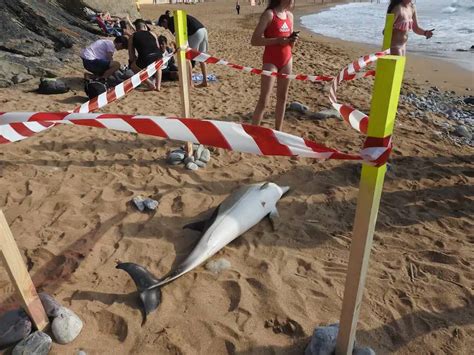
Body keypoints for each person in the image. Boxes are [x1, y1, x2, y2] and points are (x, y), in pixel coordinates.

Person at [250, 0, 298, 131]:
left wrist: (292, 40)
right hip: (271, 61)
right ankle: (254, 133)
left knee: (282, 98)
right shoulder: (269, 15)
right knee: (264, 100)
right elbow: (254, 40)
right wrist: (277, 40)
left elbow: (290, 45)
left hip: (287, 59)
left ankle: (278, 131)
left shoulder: (290, 16)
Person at [157, 12, 209, 87]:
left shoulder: (171, 22)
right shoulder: (176, 18)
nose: (165, 28)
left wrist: (175, 46)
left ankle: (190, 82)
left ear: (165, 21)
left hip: (195, 33)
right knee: (201, 57)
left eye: (163, 25)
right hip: (203, 30)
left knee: (188, 57)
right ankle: (205, 81)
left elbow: (176, 38)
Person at [128, 19, 163, 91]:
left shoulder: (132, 36)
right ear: (144, 26)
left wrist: (134, 61)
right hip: (158, 55)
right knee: (158, 65)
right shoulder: (152, 33)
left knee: (133, 67)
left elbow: (131, 55)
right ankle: (158, 86)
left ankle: (150, 84)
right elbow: (157, 47)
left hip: (145, 57)